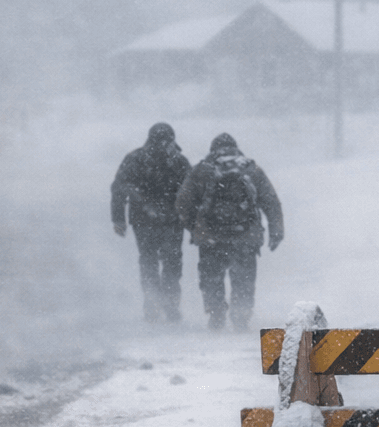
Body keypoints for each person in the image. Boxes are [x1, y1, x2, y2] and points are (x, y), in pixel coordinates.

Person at [176, 133, 283, 331]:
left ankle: (216, 314)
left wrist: (195, 226)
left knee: (211, 277)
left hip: (211, 236)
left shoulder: (202, 170)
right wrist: (277, 230)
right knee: (244, 277)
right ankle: (241, 315)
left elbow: (183, 202)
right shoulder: (250, 168)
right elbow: (270, 201)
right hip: (246, 235)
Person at [111, 123, 192, 321]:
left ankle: (152, 305)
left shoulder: (134, 158)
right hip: (172, 221)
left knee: (148, 261)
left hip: (143, 221)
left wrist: (119, 219)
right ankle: (171, 305)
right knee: (172, 263)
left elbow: (119, 189)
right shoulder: (179, 161)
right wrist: (193, 222)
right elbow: (192, 192)